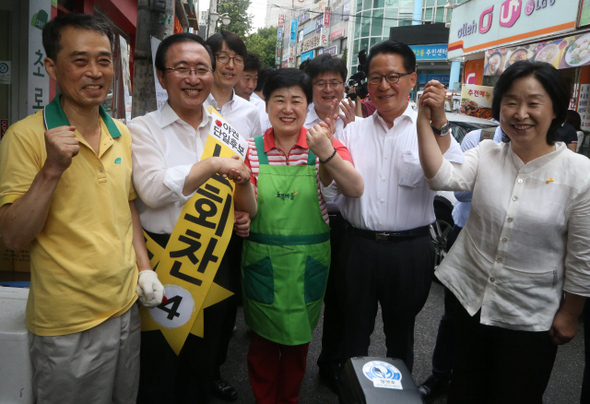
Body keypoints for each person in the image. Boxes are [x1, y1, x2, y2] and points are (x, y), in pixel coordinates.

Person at [0, 13, 163, 403]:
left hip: (125, 308)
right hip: (67, 322)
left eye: (104, 60)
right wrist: (52, 169)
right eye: (80, 60)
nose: (95, 72)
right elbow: (13, 236)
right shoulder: (25, 137)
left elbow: (126, 209)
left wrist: (144, 270)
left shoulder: (120, 132)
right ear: (52, 67)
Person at [416, 60, 590, 403]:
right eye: (510, 102)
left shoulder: (580, 173)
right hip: (471, 302)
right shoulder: (487, 153)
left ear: (555, 109)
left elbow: (582, 254)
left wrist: (570, 314)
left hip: (529, 316)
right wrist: (426, 119)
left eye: (533, 102)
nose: (520, 113)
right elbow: (440, 177)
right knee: (465, 390)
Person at [128, 33, 256, 404]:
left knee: (204, 362)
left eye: (201, 69)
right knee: (158, 365)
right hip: (161, 260)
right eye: (181, 68)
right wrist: (214, 165)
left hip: (214, 256)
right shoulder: (142, 129)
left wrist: (243, 198)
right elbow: (151, 191)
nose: (193, 77)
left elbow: (246, 198)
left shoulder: (228, 133)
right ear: (161, 75)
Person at [330, 40, 463, 373]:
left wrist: (440, 121)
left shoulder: (429, 129)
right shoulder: (351, 133)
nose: (383, 86)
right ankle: (352, 392)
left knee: (400, 334)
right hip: (357, 247)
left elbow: (454, 178)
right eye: (375, 78)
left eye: (393, 76)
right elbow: (330, 192)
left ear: (412, 79)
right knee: (353, 334)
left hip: (410, 250)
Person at [241, 68, 363, 404]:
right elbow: (246, 203)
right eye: (278, 99)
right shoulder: (249, 150)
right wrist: (238, 208)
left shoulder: (323, 145)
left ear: (307, 105)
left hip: (306, 265)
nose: (287, 108)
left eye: (296, 100)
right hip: (262, 262)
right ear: (265, 106)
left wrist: (327, 151)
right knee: (262, 345)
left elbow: (354, 188)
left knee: (297, 345)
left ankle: (290, 399)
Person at [417, 125, 503, 403]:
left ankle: (482, 380)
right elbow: (461, 193)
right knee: (454, 316)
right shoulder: (479, 139)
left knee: (497, 320)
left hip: (508, 247)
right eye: (510, 102)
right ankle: (441, 375)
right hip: (466, 234)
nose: (519, 113)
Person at [204, 30, 263, 400]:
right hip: (192, 220)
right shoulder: (192, 100)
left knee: (224, 306)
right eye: (222, 56)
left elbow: (252, 169)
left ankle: (213, 370)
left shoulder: (251, 112)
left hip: (230, 223)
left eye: (236, 59)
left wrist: (245, 211)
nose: (230, 64)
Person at [302, 53, 359, 392]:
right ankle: (288, 352)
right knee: (302, 292)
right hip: (306, 218)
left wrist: (351, 129)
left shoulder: (357, 121)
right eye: (320, 82)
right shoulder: (299, 117)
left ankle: (331, 363)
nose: (327, 88)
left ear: (343, 84)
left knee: (340, 299)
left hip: (343, 223)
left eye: (334, 82)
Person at [205, 31, 262, 140]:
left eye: (238, 60)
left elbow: (253, 154)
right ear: (208, 59)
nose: (231, 66)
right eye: (223, 57)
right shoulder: (193, 105)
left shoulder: (250, 112)